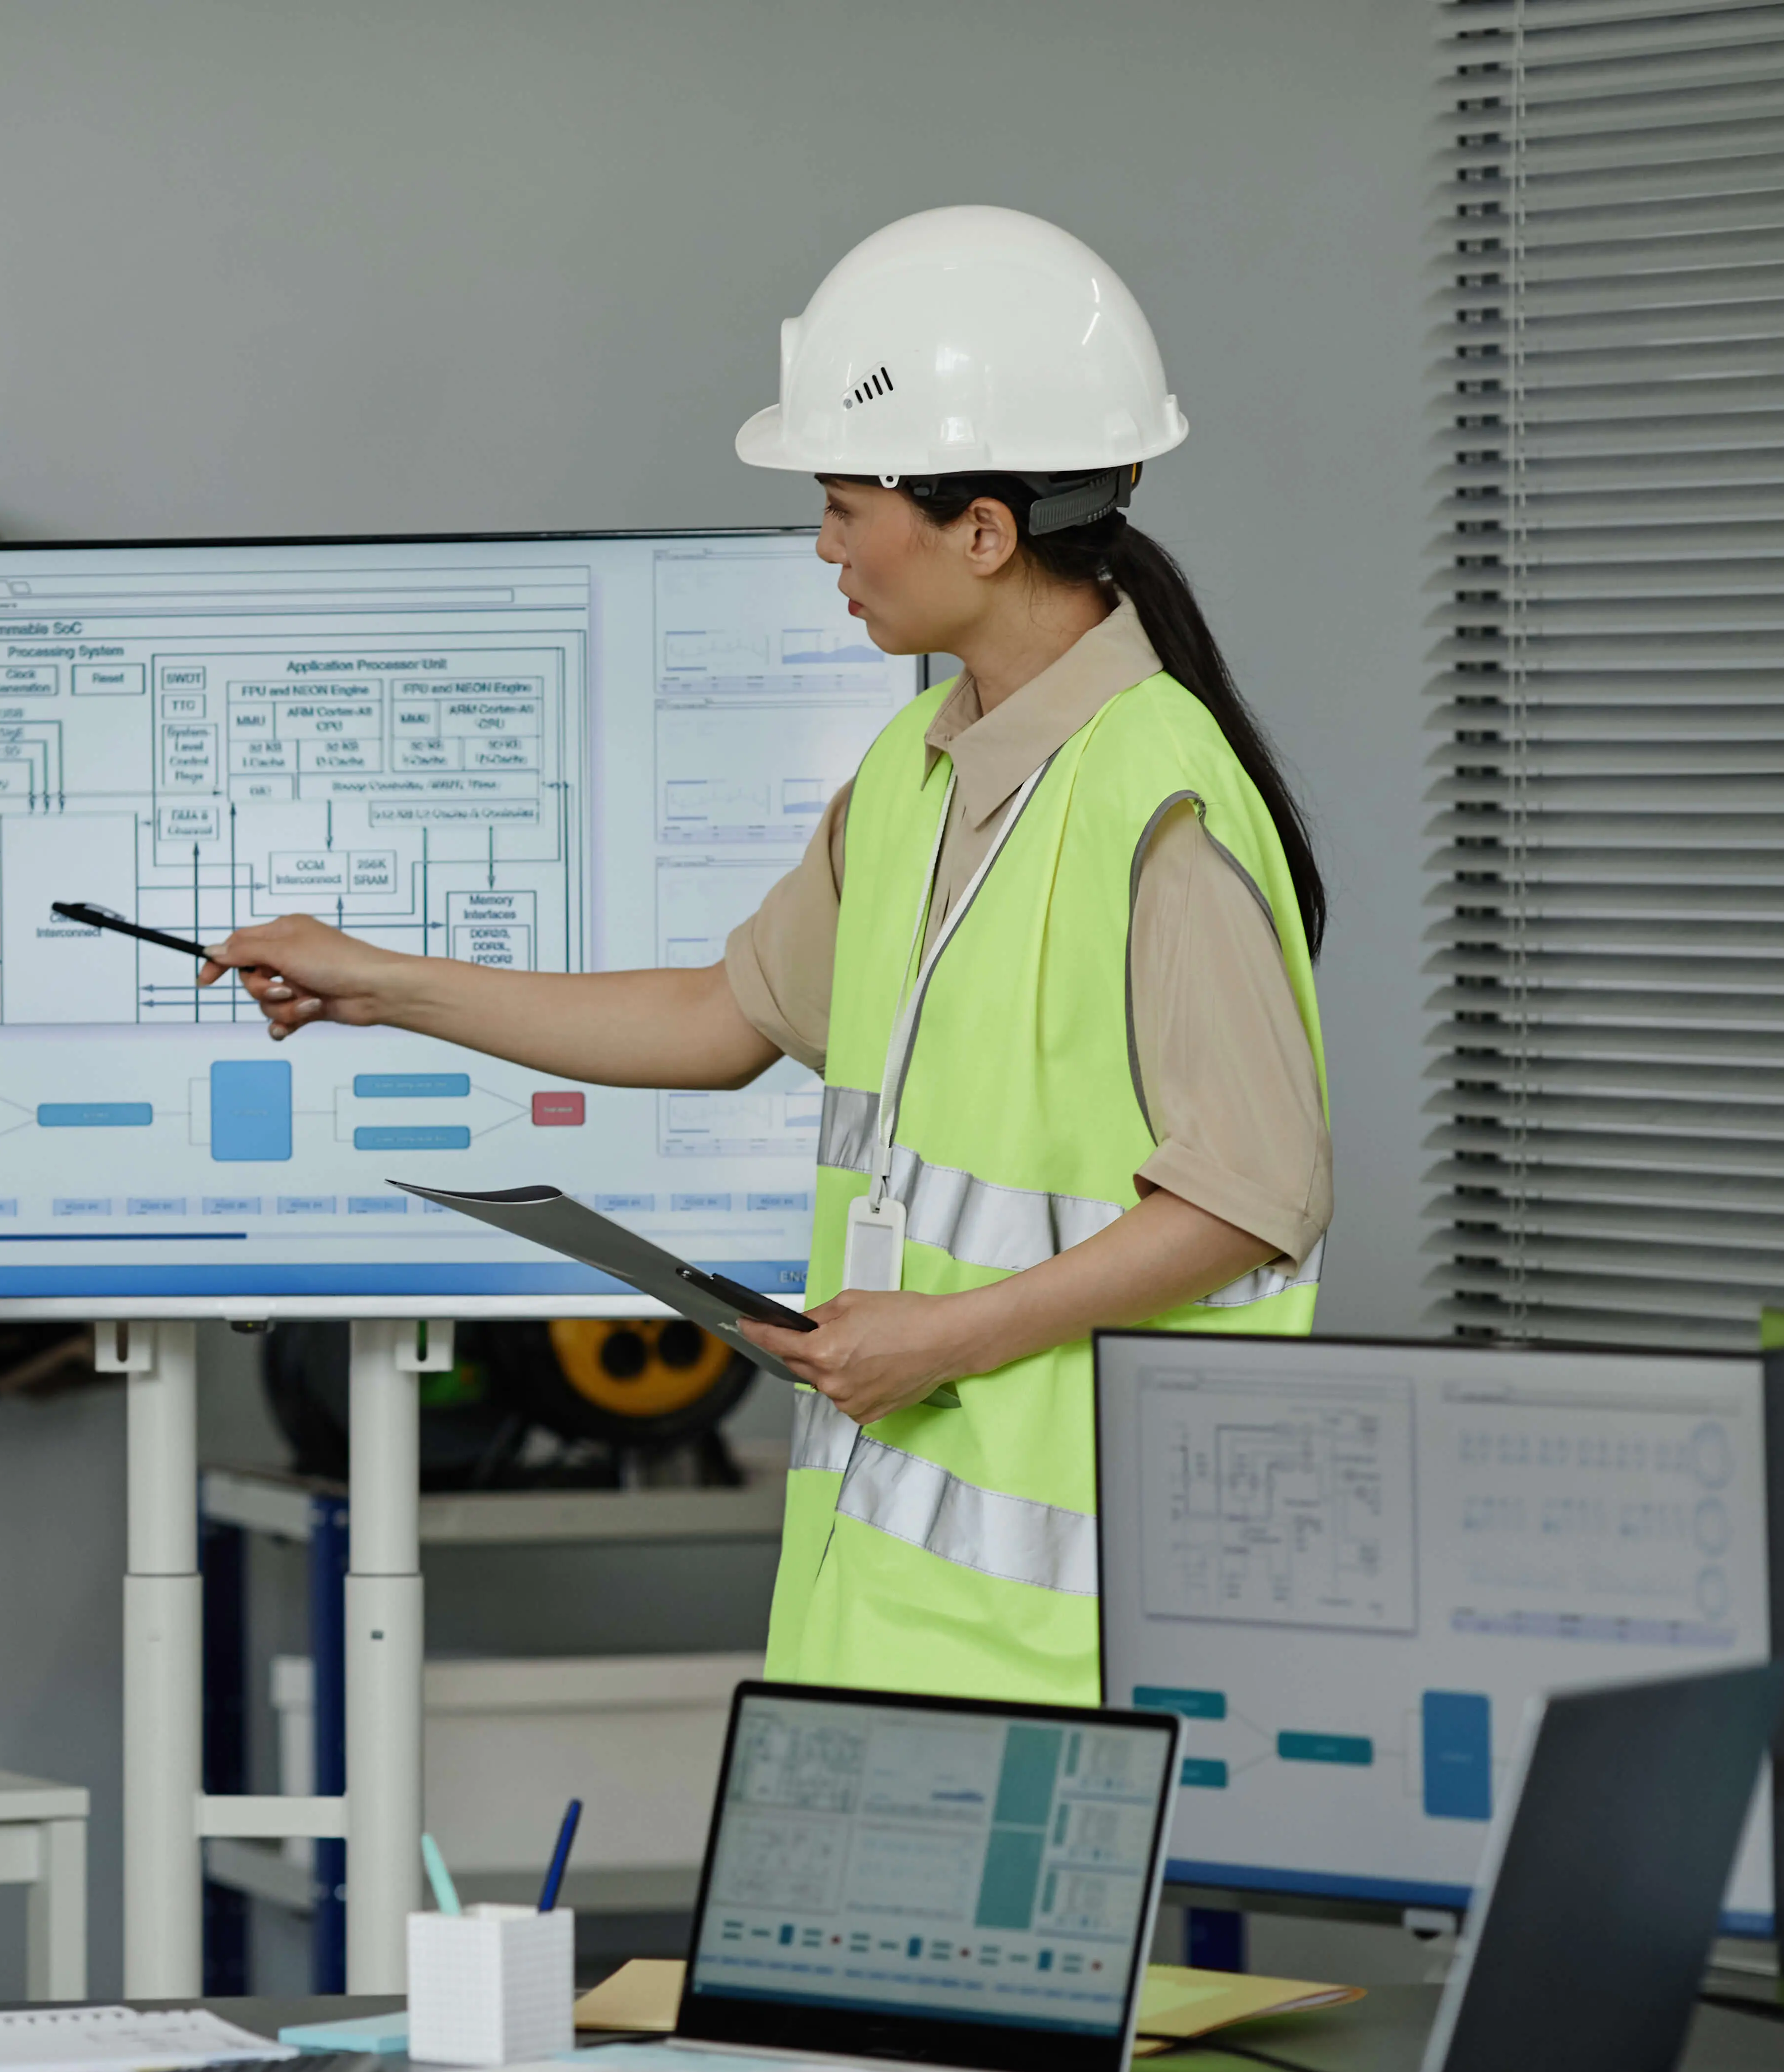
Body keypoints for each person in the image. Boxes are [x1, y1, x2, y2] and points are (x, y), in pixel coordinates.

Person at [207, 207, 1328, 1707]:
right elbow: (724, 1015)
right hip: (883, 1624)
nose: (825, 546)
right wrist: (383, 984)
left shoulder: (1158, 800)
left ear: (982, 530)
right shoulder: (921, 770)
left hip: (1081, 1662)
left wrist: (946, 1340)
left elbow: (1251, 1196)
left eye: (846, 505)